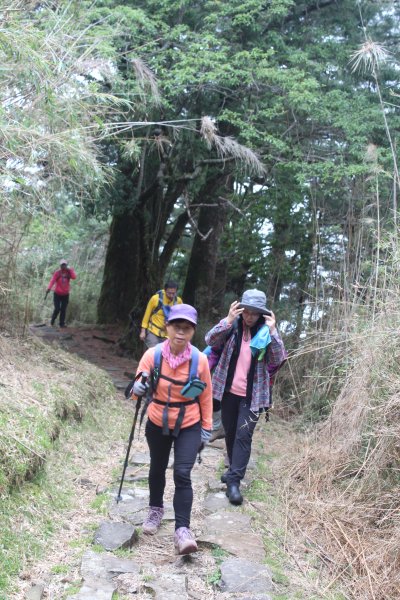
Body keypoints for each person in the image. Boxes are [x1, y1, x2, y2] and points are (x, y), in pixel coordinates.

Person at [132, 303, 212, 555]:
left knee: (182, 473)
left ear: (192, 332)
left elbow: (207, 395)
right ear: (167, 327)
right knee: (157, 466)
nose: (180, 332)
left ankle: (182, 530)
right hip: (157, 420)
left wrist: (206, 428)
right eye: (176, 327)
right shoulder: (152, 355)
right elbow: (138, 382)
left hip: (189, 422)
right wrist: (137, 389)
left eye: (186, 328)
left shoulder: (199, 360)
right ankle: (155, 509)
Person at [205, 289, 287, 506]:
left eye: (254, 313)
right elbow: (209, 339)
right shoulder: (232, 327)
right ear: (241, 311)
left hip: (253, 396)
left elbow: (279, 358)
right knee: (231, 433)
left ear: (262, 314)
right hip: (227, 392)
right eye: (246, 312)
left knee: (243, 436)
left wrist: (273, 330)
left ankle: (234, 482)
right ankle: (233, 469)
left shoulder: (265, 333)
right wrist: (228, 319)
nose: (249, 316)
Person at [139, 281, 182, 348]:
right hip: (153, 330)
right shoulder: (155, 299)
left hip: (168, 334)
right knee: (152, 353)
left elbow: (180, 318)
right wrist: (143, 331)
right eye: (169, 293)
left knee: (164, 356)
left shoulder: (178, 301)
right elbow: (146, 315)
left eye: (173, 293)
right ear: (165, 290)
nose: (171, 295)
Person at [45, 259, 76, 328]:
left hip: (65, 294)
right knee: (57, 308)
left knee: (63, 309)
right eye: (62, 265)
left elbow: (74, 277)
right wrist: (49, 288)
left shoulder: (68, 272)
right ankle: (52, 321)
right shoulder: (57, 273)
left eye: (64, 264)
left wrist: (71, 270)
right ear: (60, 265)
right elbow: (52, 281)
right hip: (57, 294)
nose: (63, 266)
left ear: (66, 265)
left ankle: (61, 324)